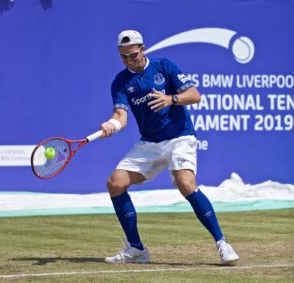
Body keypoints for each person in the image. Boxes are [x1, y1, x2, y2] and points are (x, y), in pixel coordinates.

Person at [100, 30, 239, 265]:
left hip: (180, 137)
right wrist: (112, 124)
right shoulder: (121, 82)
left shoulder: (165, 66)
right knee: (115, 183)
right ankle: (136, 250)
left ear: (143, 49)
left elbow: (194, 95)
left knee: (186, 184)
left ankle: (222, 244)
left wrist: (171, 99)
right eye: (123, 57)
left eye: (132, 55)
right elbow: (120, 115)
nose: (129, 60)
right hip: (149, 143)